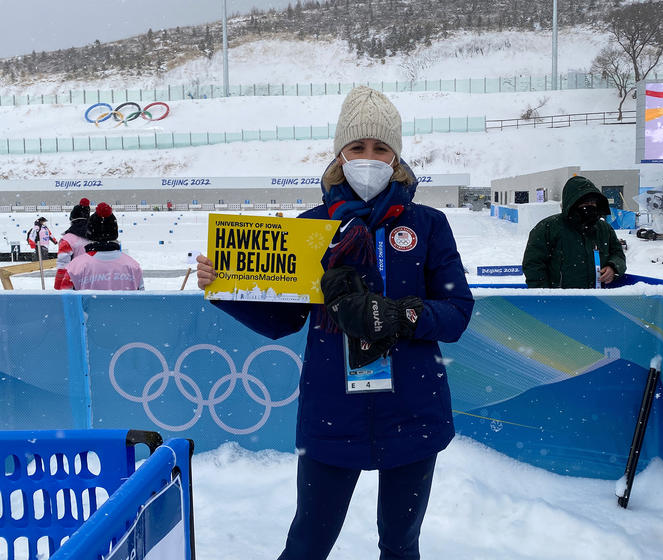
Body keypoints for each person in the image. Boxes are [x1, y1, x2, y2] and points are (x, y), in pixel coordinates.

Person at [196, 86, 474, 560]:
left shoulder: (428, 224)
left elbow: (456, 313)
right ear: (340, 155)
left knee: (402, 545)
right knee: (307, 543)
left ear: (396, 156)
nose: (369, 157)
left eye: (380, 148)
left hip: (412, 410)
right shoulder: (311, 227)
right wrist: (225, 287)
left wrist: (402, 314)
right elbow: (282, 321)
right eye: (357, 147)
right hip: (333, 412)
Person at [522, 176, 626, 288]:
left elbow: (618, 254)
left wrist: (613, 267)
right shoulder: (548, 228)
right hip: (560, 301)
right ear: (572, 202)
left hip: (598, 300)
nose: (589, 206)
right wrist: (545, 296)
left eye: (593, 202)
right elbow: (533, 265)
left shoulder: (604, 229)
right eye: (584, 202)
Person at [60, 202, 144, 290]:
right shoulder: (133, 266)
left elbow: (67, 300)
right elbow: (141, 300)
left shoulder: (75, 267)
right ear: (115, 232)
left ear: (90, 233)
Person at [54, 198, 92, 289]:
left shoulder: (67, 239)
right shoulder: (96, 236)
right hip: (94, 281)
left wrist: (58, 286)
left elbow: (63, 265)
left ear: (72, 219)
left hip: (73, 282)